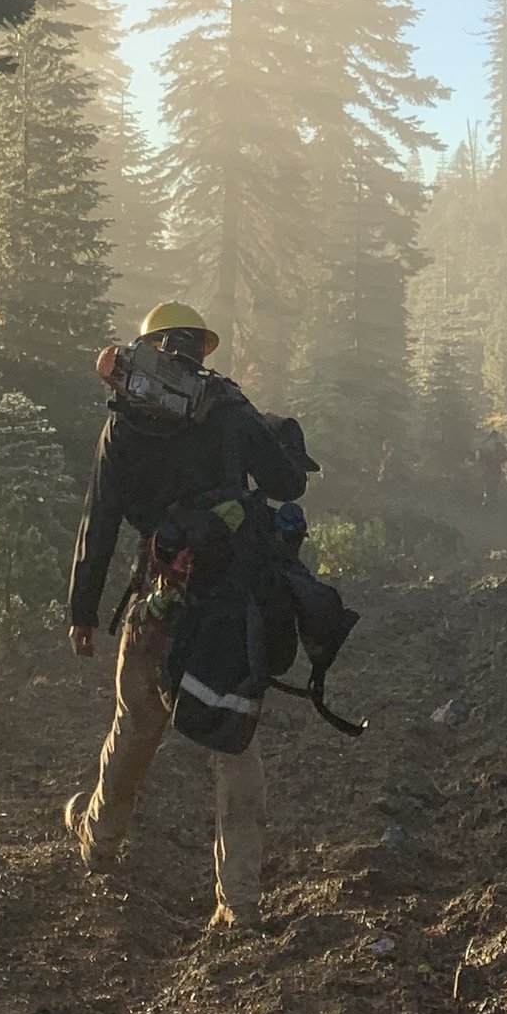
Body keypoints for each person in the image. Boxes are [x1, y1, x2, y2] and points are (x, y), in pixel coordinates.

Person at [62, 303, 308, 933]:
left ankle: (98, 847)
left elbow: (101, 518)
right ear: (201, 351)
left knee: (135, 724)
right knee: (234, 743)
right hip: (228, 601)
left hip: (158, 597)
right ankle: (239, 903)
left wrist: (83, 611)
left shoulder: (123, 422)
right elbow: (287, 482)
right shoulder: (225, 406)